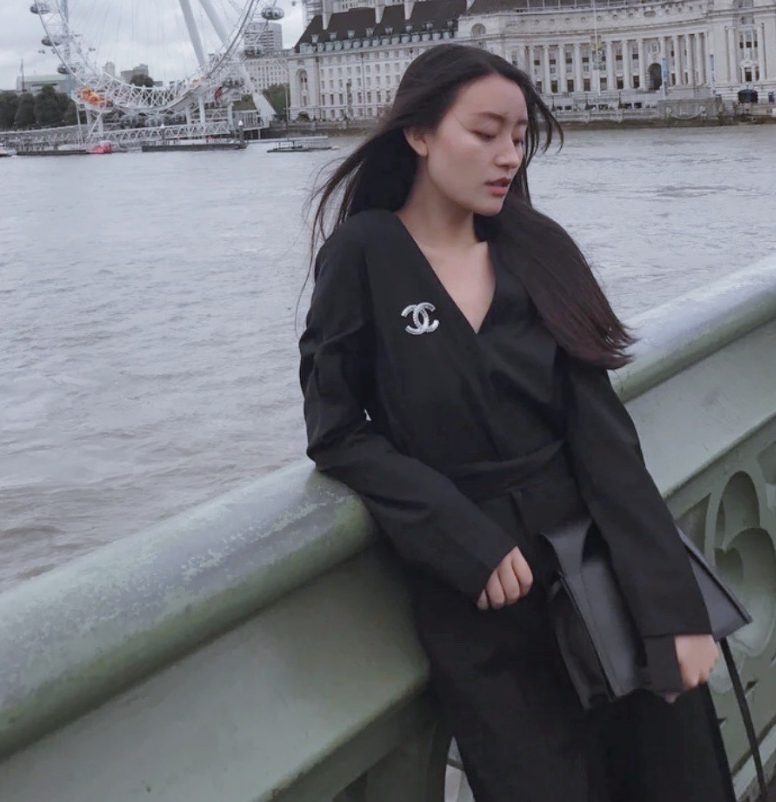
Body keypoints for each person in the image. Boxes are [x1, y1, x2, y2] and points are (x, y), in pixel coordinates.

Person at [298, 45, 735, 802]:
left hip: (604, 581)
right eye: (486, 132)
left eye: (520, 136)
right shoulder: (363, 255)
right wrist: (452, 529)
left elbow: (607, 447)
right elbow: (335, 429)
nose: (509, 155)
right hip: (481, 610)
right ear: (419, 133)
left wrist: (674, 613)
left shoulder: (538, 249)